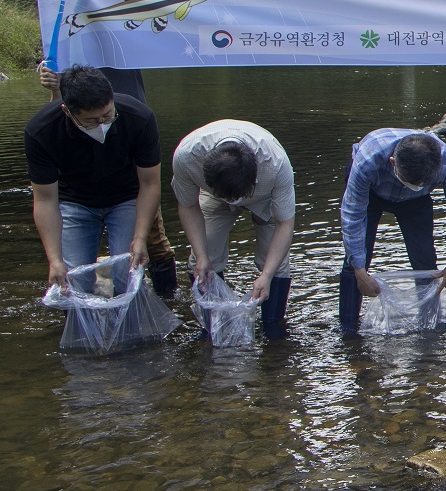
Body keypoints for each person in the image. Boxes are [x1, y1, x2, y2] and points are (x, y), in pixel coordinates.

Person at [37, 62, 177, 298]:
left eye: (107, 115)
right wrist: (54, 259)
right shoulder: (42, 130)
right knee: (73, 280)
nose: (101, 124)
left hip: (126, 197)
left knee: (128, 273)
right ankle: (82, 330)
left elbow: (150, 183)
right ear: (67, 111)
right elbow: (44, 199)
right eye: (91, 121)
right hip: (74, 201)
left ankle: (134, 327)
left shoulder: (138, 117)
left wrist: (141, 237)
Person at [339, 129, 446, 335]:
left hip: (416, 203)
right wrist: (359, 270)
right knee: (355, 260)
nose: (414, 187)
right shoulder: (368, 161)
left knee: (425, 261)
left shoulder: (445, 162)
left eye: (420, 185)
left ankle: (428, 330)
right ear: (393, 162)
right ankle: (347, 332)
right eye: (411, 183)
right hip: (373, 193)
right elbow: (352, 216)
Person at [171, 120, 297, 339]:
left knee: (275, 263)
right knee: (203, 258)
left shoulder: (276, 163)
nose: (235, 201)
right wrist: (201, 254)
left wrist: (266, 274)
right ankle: (212, 328)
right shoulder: (186, 157)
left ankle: (273, 328)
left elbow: (285, 224)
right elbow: (188, 205)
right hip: (215, 195)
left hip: (264, 197)